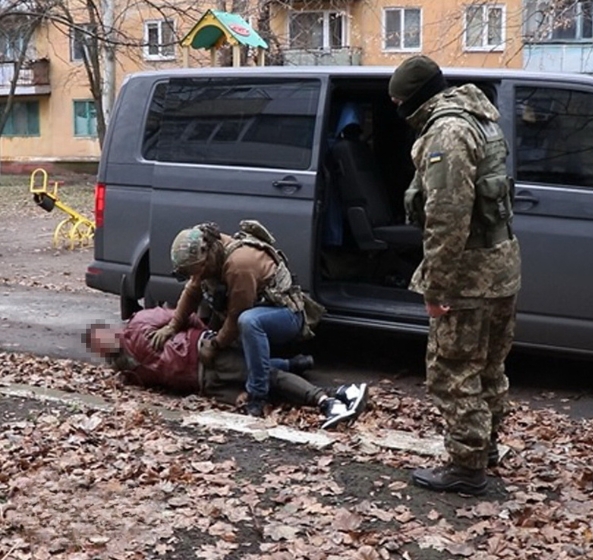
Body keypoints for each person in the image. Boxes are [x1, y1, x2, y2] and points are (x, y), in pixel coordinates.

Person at [389, 55, 522, 495]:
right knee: (488, 369)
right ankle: (483, 449)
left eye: (400, 101)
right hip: (500, 267)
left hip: (468, 277)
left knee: (454, 370)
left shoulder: (448, 131)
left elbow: (447, 217)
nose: (397, 110)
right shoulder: (480, 118)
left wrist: (436, 286)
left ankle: (467, 467)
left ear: (415, 98)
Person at [148, 220, 326, 417]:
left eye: (197, 271)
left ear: (207, 256)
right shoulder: (211, 255)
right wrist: (172, 327)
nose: (196, 277)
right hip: (253, 313)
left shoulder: (238, 265)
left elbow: (236, 315)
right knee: (234, 360)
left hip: (285, 316)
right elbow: (192, 292)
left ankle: (258, 395)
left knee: (249, 322)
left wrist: (215, 344)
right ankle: (291, 364)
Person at [84, 306, 368, 429]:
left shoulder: (139, 323)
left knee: (266, 376)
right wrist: (229, 398)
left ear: (109, 331)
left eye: (102, 338)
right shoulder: (127, 370)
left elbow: (185, 316)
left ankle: (325, 401)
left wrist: (209, 340)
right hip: (203, 383)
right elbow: (162, 382)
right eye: (98, 346)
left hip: (204, 356)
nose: (103, 345)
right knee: (265, 391)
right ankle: (334, 391)